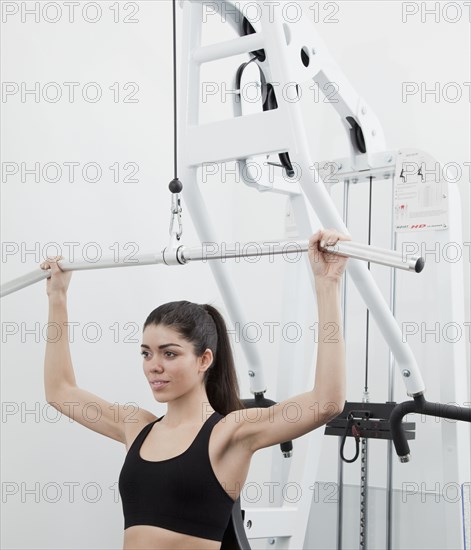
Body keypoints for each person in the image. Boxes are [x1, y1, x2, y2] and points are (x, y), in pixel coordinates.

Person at [40, 229, 350, 550]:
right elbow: (61, 391)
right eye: (146, 353)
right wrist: (58, 297)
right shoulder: (137, 427)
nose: (153, 365)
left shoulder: (229, 434)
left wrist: (328, 285)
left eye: (169, 353)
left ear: (204, 360)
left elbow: (327, 402)